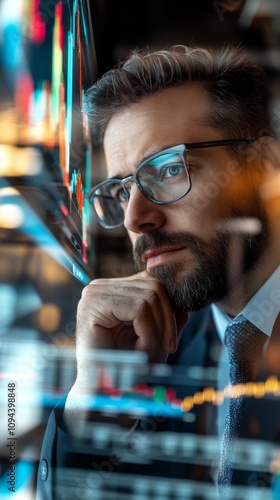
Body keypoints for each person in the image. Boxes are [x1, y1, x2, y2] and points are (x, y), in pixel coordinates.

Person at [37, 44, 280, 500]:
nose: (134, 218)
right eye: (122, 188)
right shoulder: (148, 364)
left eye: (168, 169)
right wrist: (91, 412)